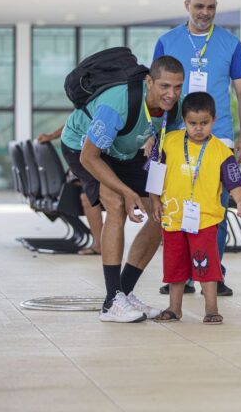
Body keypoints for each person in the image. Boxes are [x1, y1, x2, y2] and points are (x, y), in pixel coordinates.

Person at [61, 56, 184, 323]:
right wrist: (129, 194)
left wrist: (154, 196)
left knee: (158, 213)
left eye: (177, 87)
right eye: (164, 86)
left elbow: (163, 154)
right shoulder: (118, 103)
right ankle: (110, 303)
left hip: (124, 153)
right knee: (116, 204)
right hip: (83, 148)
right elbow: (89, 157)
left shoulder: (174, 109)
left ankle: (124, 292)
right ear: (149, 82)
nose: (171, 94)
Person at [153, 0, 241, 297]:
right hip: (174, 137)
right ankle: (179, 276)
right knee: (175, 207)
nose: (205, 13)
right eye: (199, 6)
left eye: (211, 7)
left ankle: (213, 273)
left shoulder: (230, 43)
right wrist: (152, 135)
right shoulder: (167, 41)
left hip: (218, 137)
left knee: (216, 209)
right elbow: (155, 91)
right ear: (187, 5)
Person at [150, 92, 241, 324]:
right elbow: (156, 172)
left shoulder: (222, 152)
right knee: (174, 266)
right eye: (192, 123)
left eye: (204, 123)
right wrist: (154, 199)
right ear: (184, 120)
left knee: (206, 264)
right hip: (173, 217)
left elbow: (233, 181)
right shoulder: (169, 142)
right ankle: (174, 308)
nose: (198, 129)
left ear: (214, 120)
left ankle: (211, 309)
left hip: (204, 220)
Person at [38, 125, 103, 256]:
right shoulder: (82, 111)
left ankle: (101, 244)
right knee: (83, 196)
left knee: (86, 197)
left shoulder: (97, 107)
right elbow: (72, 123)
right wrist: (51, 136)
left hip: (99, 158)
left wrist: (51, 136)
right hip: (84, 160)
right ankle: (99, 243)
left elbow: (73, 124)